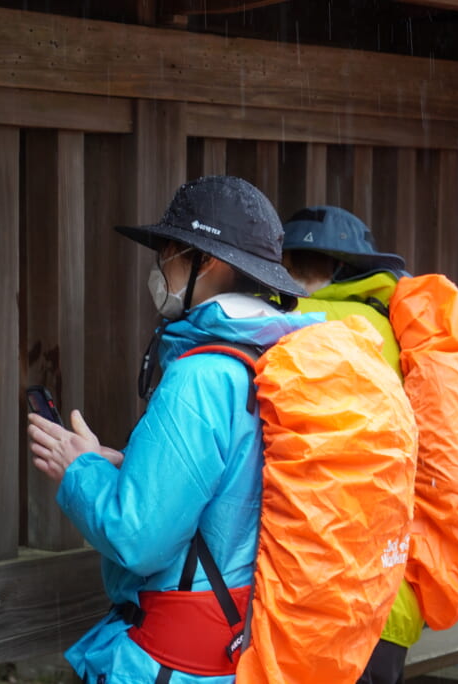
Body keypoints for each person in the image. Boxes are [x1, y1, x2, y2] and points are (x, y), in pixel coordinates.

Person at [28, 175, 314, 684]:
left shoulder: (202, 377)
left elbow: (138, 537)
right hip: (233, 652)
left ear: (211, 263)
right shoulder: (272, 357)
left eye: (170, 251)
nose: (160, 266)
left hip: (172, 666)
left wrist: (80, 471)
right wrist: (122, 468)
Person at [282, 205, 419, 684]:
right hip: (393, 589)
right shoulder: (399, 332)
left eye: (292, 267)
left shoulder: (294, 324)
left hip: (322, 596)